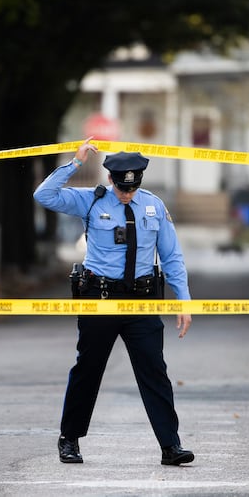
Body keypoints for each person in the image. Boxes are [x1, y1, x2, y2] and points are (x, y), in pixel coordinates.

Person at [33, 137, 194, 466]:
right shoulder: (91, 201)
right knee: (88, 369)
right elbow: (43, 195)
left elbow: (172, 256)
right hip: (101, 297)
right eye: (122, 188)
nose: (127, 194)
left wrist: (184, 299)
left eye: (132, 188)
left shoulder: (152, 206)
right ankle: (70, 439)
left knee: (155, 372)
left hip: (142, 301)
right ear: (110, 179)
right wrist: (75, 163)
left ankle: (170, 445)